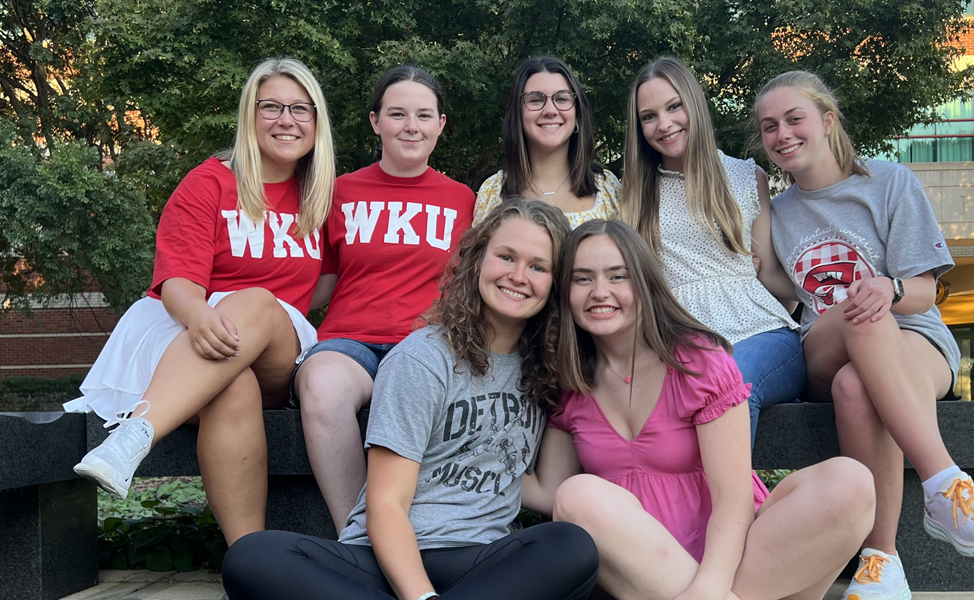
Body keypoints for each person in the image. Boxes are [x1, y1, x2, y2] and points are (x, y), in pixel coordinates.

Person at [221, 199, 598, 600]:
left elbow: (545, 487)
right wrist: (422, 597)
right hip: (382, 558)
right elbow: (386, 502)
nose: (519, 276)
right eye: (506, 257)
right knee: (252, 557)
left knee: (570, 547)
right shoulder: (423, 357)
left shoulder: (547, 369)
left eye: (538, 266)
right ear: (477, 261)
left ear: (555, 284)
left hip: (481, 561)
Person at [755, 70, 974, 600]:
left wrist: (890, 286)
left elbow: (926, 293)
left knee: (858, 387)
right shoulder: (776, 211)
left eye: (795, 119)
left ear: (827, 120)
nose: (782, 134)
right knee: (862, 318)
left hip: (917, 339)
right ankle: (946, 486)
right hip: (826, 344)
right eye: (770, 126)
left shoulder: (889, 182)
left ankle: (881, 561)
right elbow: (776, 288)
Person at [524, 219, 875, 600]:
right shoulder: (569, 380)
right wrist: (453, 465)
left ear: (644, 283)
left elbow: (733, 497)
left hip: (734, 560)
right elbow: (550, 491)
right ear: (565, 292)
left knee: (850, 481)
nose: (600, 291)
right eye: (582, 279)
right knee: (577, 495)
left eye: (618, 276)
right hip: (639, 567)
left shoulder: (697, 361)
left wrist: (709, 589)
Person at [66, 58, 335, 545]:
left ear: (317, 121)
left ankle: (136, 433)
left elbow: (335, 282)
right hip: (195, 333)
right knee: (232, 389)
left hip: (276, 346)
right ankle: (250, 561)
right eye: (270, 106)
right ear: (249, 116)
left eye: (300, 108)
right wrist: (199, 315)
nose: (286, 119)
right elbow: (177, 285)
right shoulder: (207, 183)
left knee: (256, 301)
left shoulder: (322, 196)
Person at [294, 65, 475, 534]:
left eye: (423, 115)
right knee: (321, 386)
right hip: (350, 343)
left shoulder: (464, 201)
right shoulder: (338, 192)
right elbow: (319, 281)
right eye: (397, 114)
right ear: (376, 122)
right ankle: (355, 538)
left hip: (425, 346)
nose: (410, 126)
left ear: (440, 124)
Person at [621, 56, 804, 445]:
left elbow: (768, 273)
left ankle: (734, 506)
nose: (665, 124)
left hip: (761, 333)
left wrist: (828, 293)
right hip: (680, 342)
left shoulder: (746, 175)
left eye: (674, 106)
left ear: (693, 105)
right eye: (649, 116)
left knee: (729, 383)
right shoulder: (635, 194)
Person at [475, 56, 620, 228]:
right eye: (536, 100)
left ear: (577, 114)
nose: (550, 110)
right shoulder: (492, 192)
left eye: (561, 99)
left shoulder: (608, 188)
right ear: (518, 115)